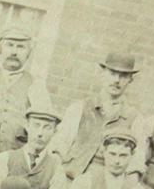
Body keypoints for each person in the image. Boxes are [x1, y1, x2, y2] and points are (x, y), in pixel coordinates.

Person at [53, 52, 148, 182]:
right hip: (70, 178)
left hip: (105, 188)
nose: (116, 80)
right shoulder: (80, 108)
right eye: (112, 73)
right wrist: (58, 178)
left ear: (130, 79)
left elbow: (136, 161)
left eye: (123, 76)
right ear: (102, 73)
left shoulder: (135, 118)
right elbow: (59, 146)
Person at [0, 27, 51, 153]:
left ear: (28, 53)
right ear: (0, 49)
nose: (14, 52)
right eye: (10, 45)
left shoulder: (36, 86)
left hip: (11, 156)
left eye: (20, 47)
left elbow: (43, 128)